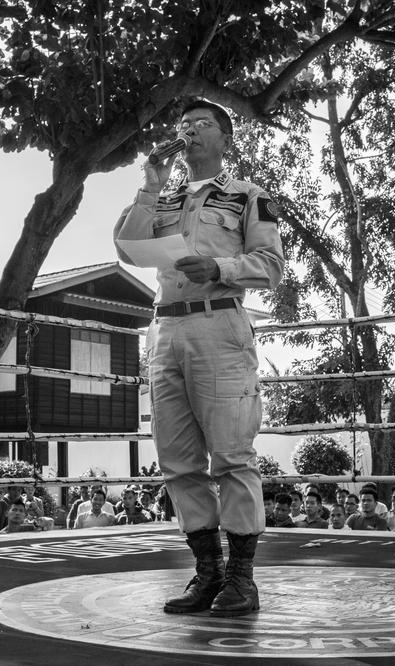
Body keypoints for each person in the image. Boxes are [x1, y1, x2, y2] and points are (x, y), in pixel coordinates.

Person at [114, 98, 284, 618]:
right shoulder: (161, 198)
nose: (188, 131)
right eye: (183, 124)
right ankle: (207, 573)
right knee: (178, 459)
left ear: (225, 140)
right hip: (165, 328)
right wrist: (150, 184)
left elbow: (271, 265)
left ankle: (241, 579)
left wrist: (218, 268)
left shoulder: (246, 195)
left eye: (201, 124)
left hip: (220, 323)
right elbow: (127, 246)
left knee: (231, 454)